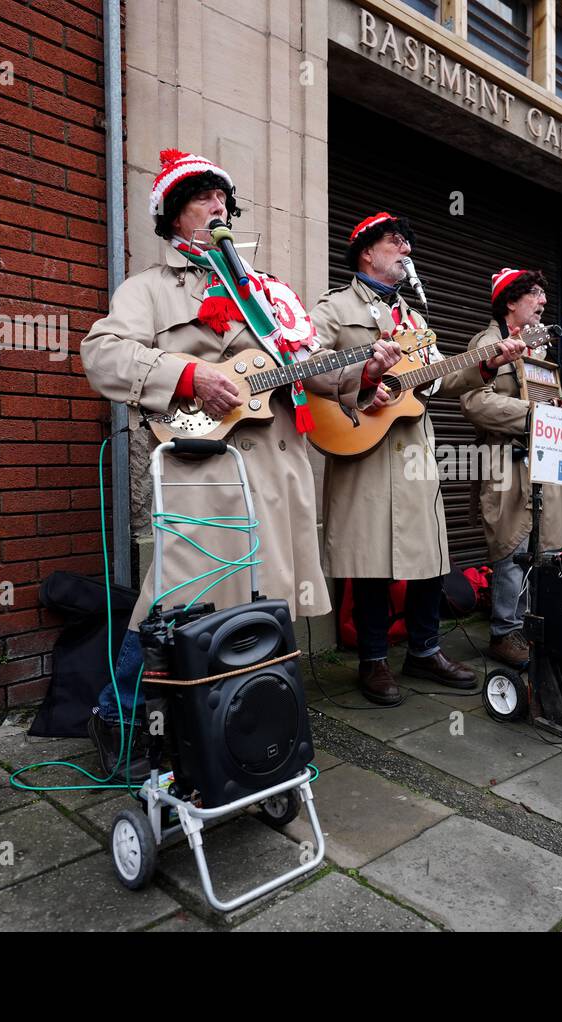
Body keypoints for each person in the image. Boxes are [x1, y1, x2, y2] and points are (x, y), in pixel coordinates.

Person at [79, 149, 401, 771]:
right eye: (202, 197)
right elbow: (102, 355)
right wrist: (190, 374)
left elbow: (315, 374)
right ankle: (116, 715)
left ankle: (244, 728)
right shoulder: (148, 287)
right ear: (174, 214)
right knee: (176, 594)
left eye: (222, 197)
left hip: (278, 472)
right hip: (204, 467)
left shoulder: (270, 295)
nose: (217, 206)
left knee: (261, 606)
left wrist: (363, 370)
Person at [312, 212, 525, 704]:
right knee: (369, 561)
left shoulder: (415, 318)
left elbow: (440, 380)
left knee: (429, 556)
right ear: (367, 251)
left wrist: (486, 364)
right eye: (396, 242)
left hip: (416, 452)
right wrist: (362, 378)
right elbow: (306, 364)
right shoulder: (333, 306)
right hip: (363, 445)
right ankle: (372, 662)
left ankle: (425, 651)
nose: (406, 250)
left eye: (408, 244)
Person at [459, 269, 562, 669]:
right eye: (535, 294)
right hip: (506, 461)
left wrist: (560, 413)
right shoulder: (487, 344)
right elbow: (474, 402)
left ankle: (535, 626)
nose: (544, 301)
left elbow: (547, 398)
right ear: (510, 301)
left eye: (544, 294)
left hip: (545, 461)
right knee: (512, 548)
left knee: (548, 548)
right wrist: (533, 416)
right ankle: (504, 633)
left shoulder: (538, 348)